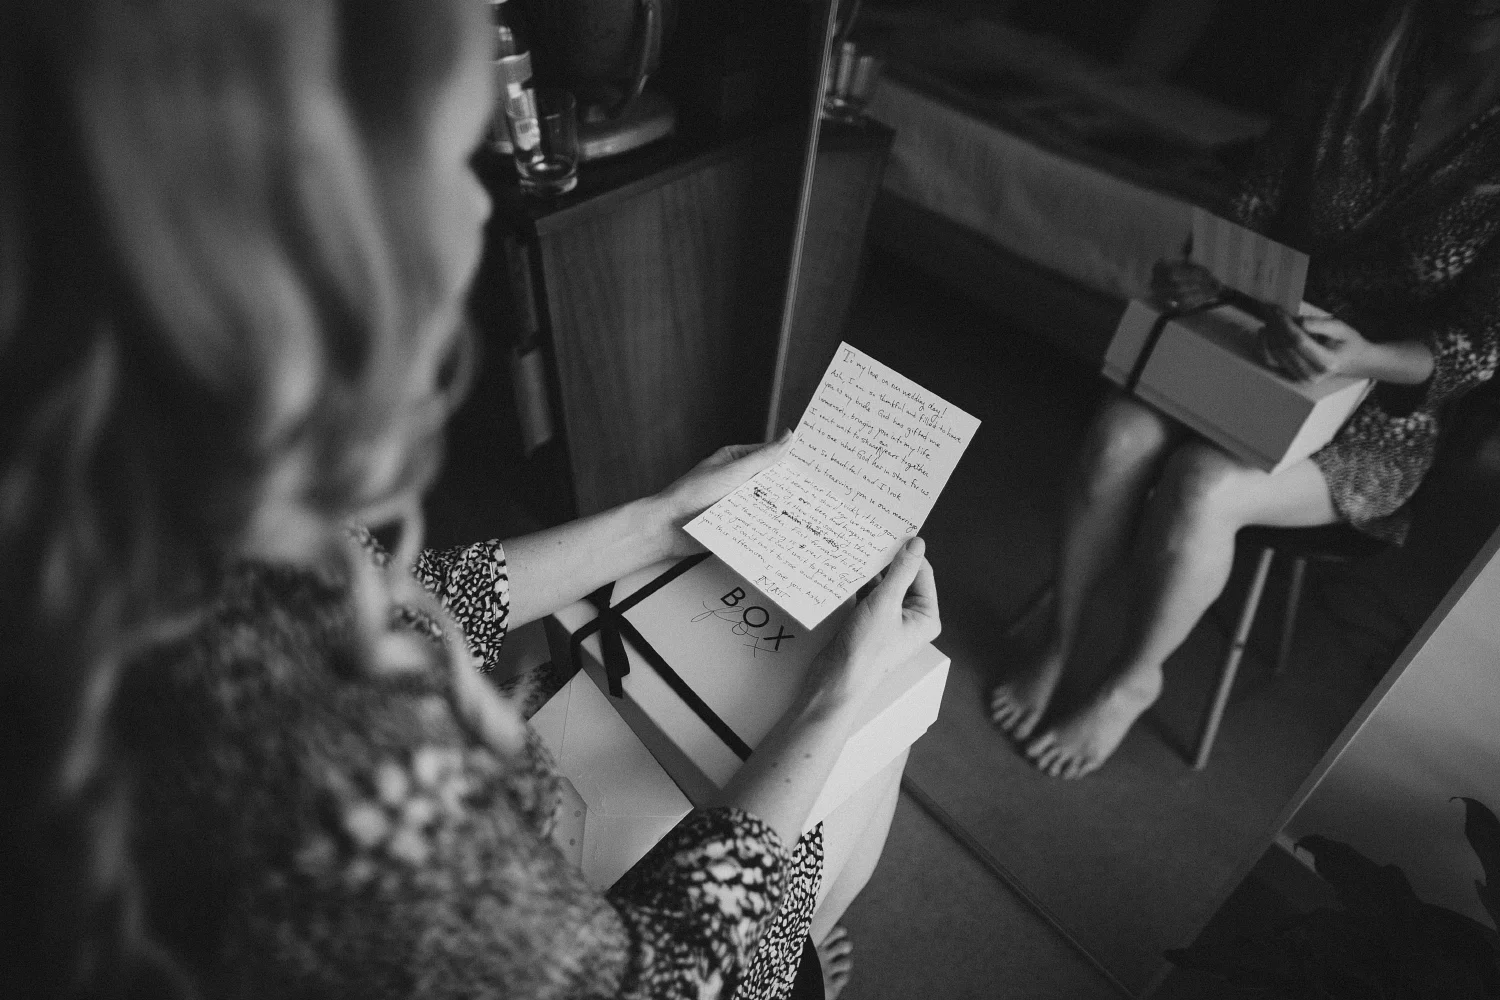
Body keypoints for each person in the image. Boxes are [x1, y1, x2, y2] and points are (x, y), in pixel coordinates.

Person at [0, 1, 940, 998]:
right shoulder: (344, 778)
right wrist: (838, 689)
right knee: (809, 851)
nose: (479, 212)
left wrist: (659, 520)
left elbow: (395, 596)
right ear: (299, 255)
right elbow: (653, 985)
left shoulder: (121, 492)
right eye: (455, 163)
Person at [989, 0, 1500, 779]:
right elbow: (1256, 192)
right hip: (1259, 335)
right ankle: (1062, 632)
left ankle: (1133, 679)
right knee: (1117, 437)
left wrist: (1366, 355)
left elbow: (1482, 344)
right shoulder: (1365, 59)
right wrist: (1210, 268)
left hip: (1383, 411)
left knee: (1203, 484)